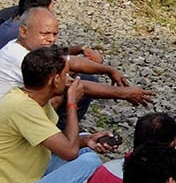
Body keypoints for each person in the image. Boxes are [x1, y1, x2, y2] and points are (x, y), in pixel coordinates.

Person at [0, 46, 114, 183]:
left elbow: (63, 143)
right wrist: (72, 104)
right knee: (88, 163)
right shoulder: (22, 108)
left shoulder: (29, 98)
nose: (70, 79)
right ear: (54, 80)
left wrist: (87, 140)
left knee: (85, 150)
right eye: (66, 75)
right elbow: (69, 151)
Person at [0, 7, 154, 126]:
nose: (51, 39)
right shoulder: (18, 56)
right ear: (24, 31)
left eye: (54, 34)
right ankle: (56, 136)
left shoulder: (29, 48)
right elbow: (74, 85)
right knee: (62, 91)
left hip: (19, 106)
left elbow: (70, 61)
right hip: (9, 116)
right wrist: (124, 93)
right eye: (45, 34)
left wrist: (109, 70)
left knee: (85, 78)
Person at [0, 0, 104, 60]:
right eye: (52, 5)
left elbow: (52, 53)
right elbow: (50, 73)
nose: (51, 39)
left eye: (54, 34)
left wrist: (80, 49)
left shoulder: (12, 17)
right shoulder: (27, 33)